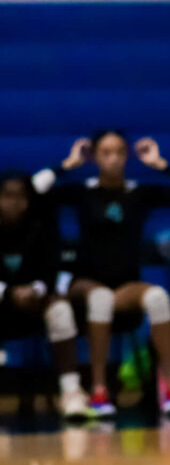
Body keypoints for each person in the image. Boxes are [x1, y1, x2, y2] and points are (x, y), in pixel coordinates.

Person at [32, 131, 170, 420]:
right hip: (84, 284)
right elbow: (33, 189)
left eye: (120, 152)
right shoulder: (83, 192)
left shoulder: (138, 194)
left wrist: (161, 164)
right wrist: (68, 164)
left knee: (159, 297)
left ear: (127, 156)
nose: (113, 159)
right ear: (95, 157)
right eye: (106, 152)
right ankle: (99, 389)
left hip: (125, 285)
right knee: (100, 298)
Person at [0, 172, 85, 420]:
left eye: (21, 196)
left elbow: (51, 271)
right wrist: (9, 293)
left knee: (60, 310)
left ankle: (71, 391)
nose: (14, 202)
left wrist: (35, 290)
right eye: (7, 196)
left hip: (34, 302)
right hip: (3, 302)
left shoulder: (41, 227)